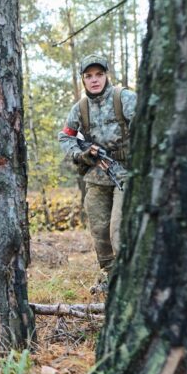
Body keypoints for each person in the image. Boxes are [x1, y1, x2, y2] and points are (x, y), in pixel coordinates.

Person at [58, 54, 137, 290]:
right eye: (88, 76)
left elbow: (147, 128)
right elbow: (65, 136)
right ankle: (110, 278)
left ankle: (130, 281)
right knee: (100, 231)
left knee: (118, 229)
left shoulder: (124, 98)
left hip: (126, 175)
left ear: (106, 75)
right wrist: (80, 154)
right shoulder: (80, 108)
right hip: (96, 177)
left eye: (99, 74)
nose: (94, 80)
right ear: (83, 79)